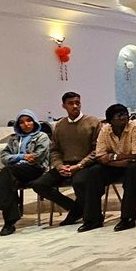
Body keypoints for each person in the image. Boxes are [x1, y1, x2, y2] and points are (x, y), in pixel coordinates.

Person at [71, 103, 136, 232]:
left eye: (125, 114)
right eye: (119, 115)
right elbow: (100, 156)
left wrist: (113, 157)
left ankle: (128, 218)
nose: (123, 118)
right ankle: (93, 219)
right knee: (94, 171)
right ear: (110, 120)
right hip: (119, 164)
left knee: (132, 170)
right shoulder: (105, 130)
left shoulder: (135, 128)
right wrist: (118, 161)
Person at [32, 92, 102, 227]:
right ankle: (75, 209)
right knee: (39, 184)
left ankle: (86, 214)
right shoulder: (60, 125)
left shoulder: (93, 122)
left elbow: (97, 149)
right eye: (71, 103)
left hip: (86, 165)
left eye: (77, 103)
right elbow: (54, 150)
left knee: (79, 181)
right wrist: (59, 166)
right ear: (64, 106)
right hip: (65, 165)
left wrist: (80, 165)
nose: (75, 106)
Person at [0, 109, 50, 236]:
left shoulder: (42, 136)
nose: (26, 124)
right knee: (8, 181)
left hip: (35, 169)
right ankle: (9, 224)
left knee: (7, 172)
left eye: (29, 121)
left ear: (34, 122)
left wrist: (16, 158)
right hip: (16, 170)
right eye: (22, 122)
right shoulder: (14, 139)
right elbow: (4, 156)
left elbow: (37, 156)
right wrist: (22, 157)